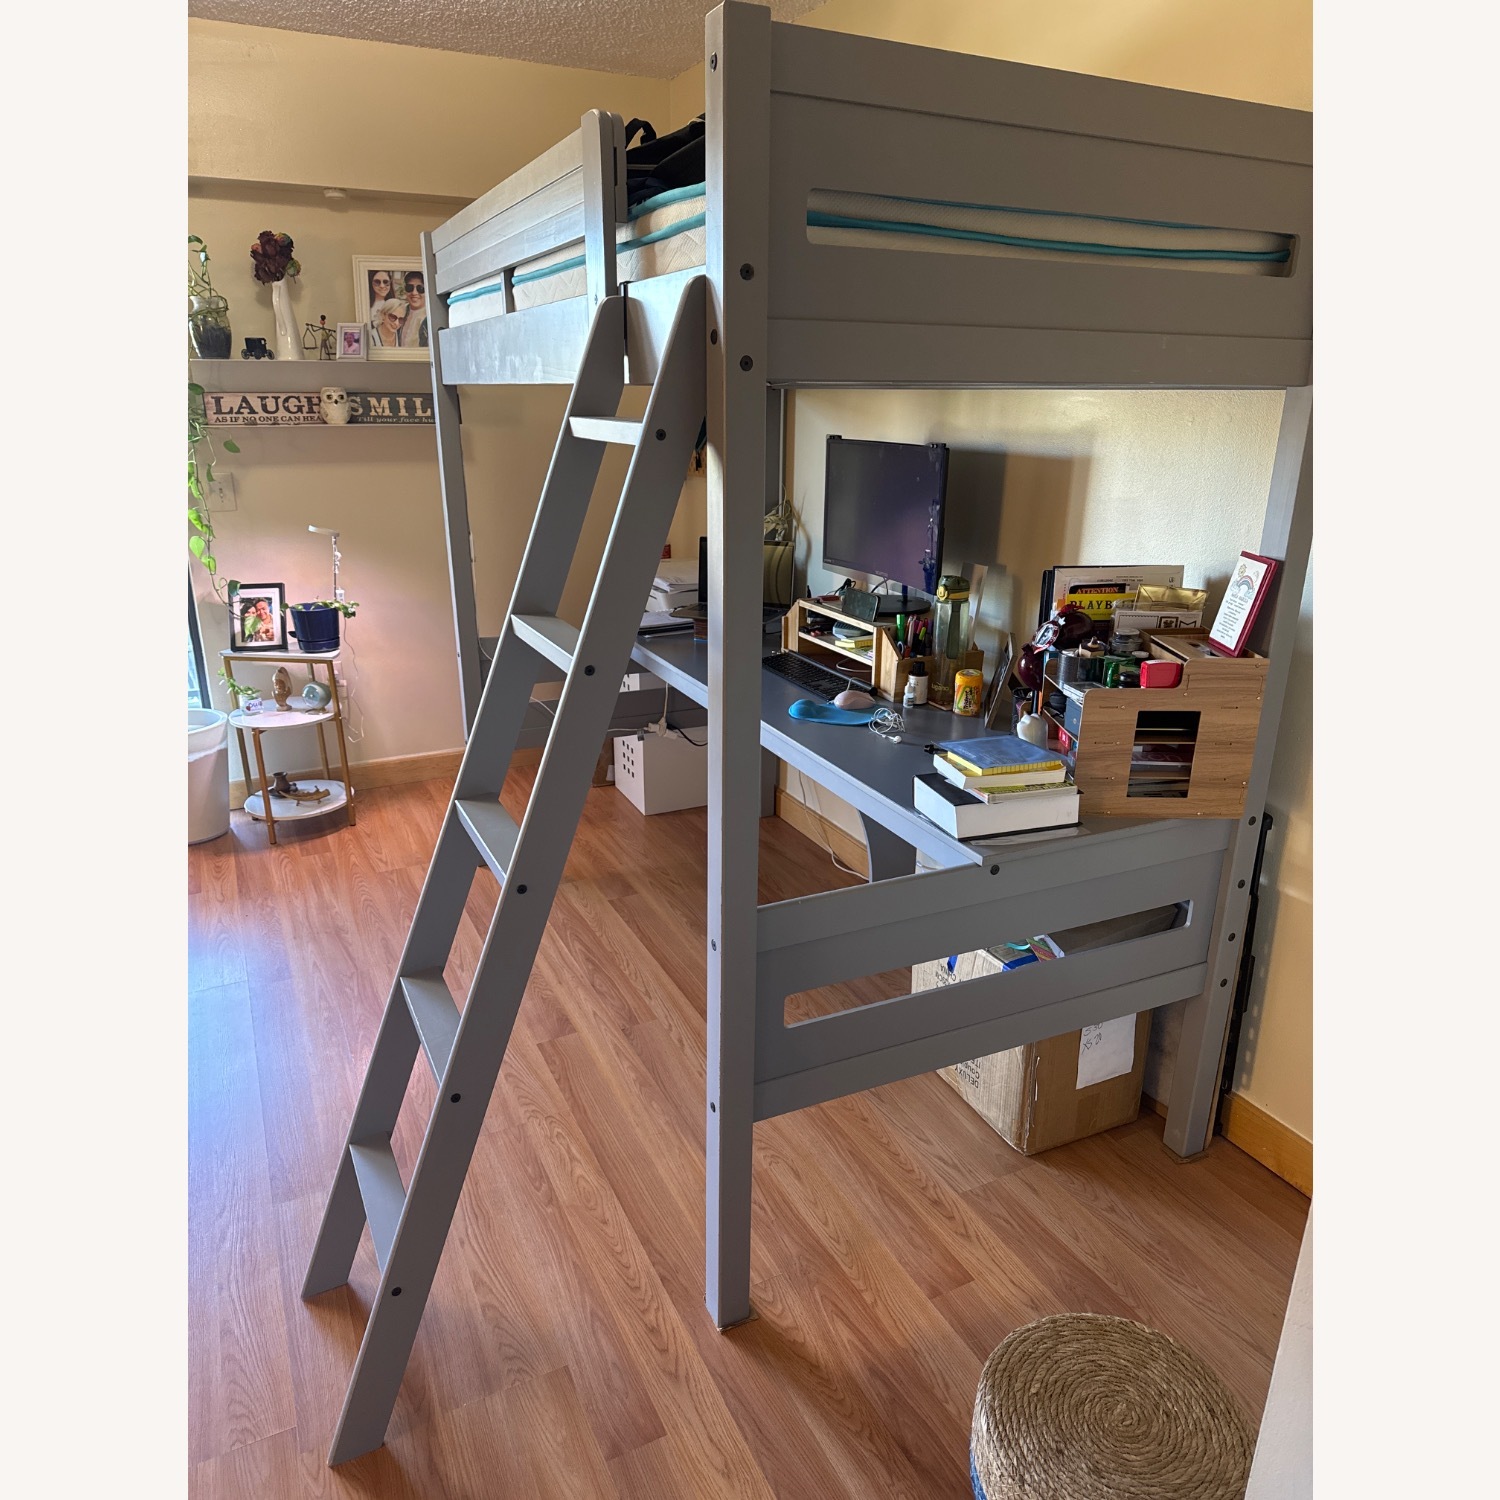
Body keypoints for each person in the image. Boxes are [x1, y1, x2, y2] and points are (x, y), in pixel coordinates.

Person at [399, 270, 429, 348]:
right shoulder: (400, 311)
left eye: (420, 288)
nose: (414, 293)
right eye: (410, 288)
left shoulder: (430, 316)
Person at [366, 269, 395, 335]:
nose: (382, 286)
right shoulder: (366, 305)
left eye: (385, 282)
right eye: (377, 282)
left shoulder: (394, 306)